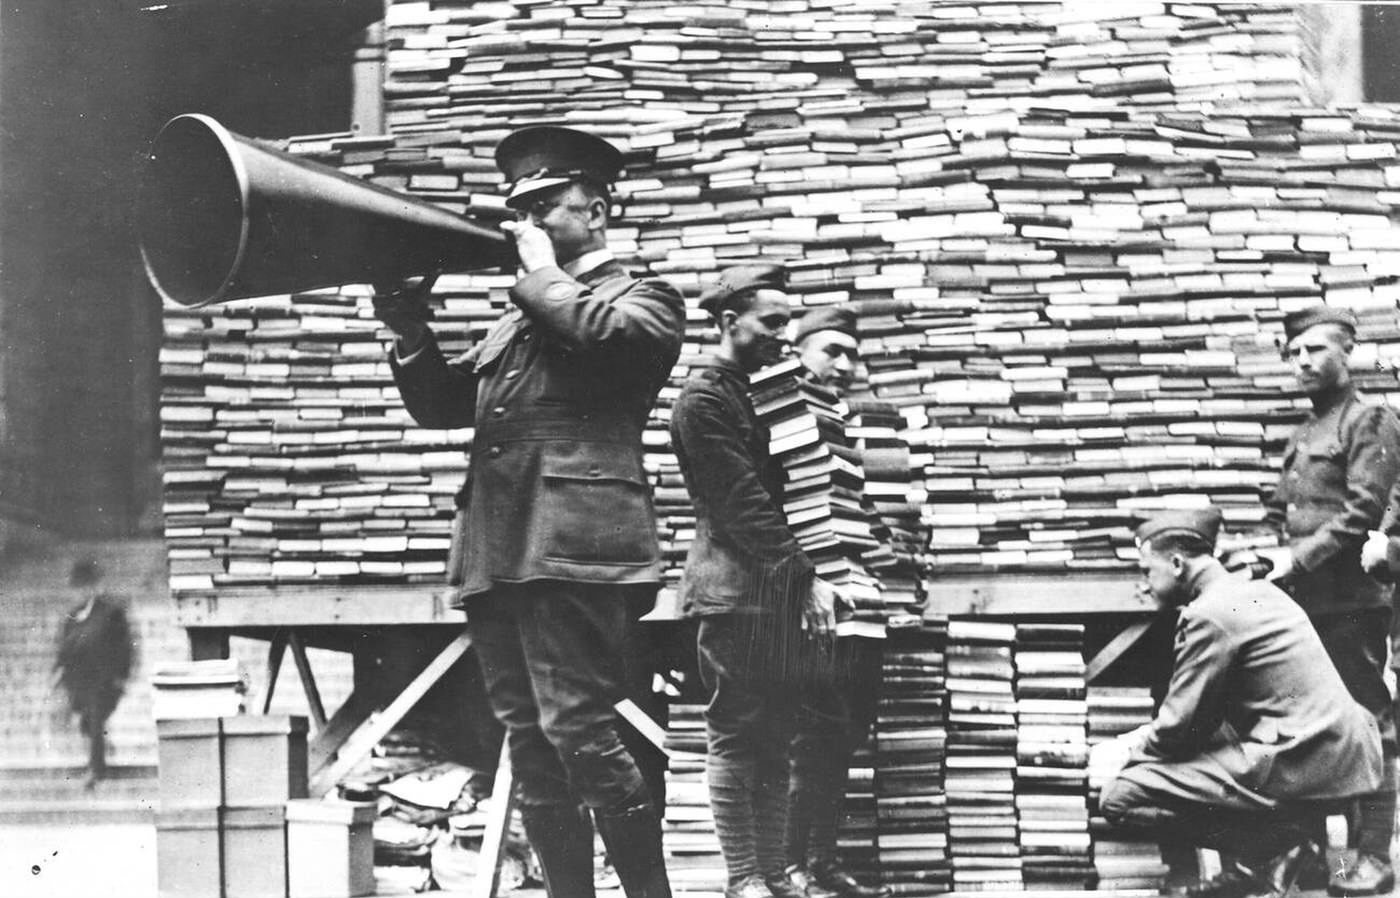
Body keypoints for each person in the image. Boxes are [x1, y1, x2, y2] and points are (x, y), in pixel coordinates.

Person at [375, 125, 684, 898]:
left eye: (549, 205)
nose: (530, 222)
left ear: (600, 211)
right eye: (522, 209)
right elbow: (446, 407)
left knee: (578, 727)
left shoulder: (640, 298)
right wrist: (412, 330)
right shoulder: (522, 318)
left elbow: (608, 344)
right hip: (500, 549)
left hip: (576, 544)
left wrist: (542, 278)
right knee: (532, 741)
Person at [1098, 508, 1384, 898]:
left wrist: (1125, 751)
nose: (1145, 584)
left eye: (1148, 570)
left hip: (1302, 759)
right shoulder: (1257, 591)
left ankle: (1275, 848)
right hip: (1339, 753)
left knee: (1122, 796)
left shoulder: (1209, 614)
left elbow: (1179, 730)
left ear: (1177, 564)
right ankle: (1279, 851)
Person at [670, 263, 840, 898]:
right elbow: (741, 502)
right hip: (736, 593)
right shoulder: (706, 399)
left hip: (772, 594)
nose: (784, 333)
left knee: (774, 738)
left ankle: (773, 873)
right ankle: (743, 877)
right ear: (726, 323)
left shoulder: (756, 393)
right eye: (772, 321)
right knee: (739, 734)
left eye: (788, 321)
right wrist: (804, 579)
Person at [1253, 305, 1400, 897]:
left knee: (1368, 723)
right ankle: (1325, 860)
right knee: (1312, 728)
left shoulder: (1369, 421)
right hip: (1303, 605)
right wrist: (1263, 548)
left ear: (1347, 354)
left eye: (1315, 350)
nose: (1303, 362)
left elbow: (1363, 510)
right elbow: (1284, 509)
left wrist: (1298, 558)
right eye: (1293, 353)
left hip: (1351, 603)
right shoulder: (1307, 432)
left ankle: (1373, 859)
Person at [783, 304, 890, 898]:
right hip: (811, 596)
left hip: (861, 598)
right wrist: (802, 580)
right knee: (811, 736)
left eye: (854, 353)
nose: (847, 365)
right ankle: (792, 867)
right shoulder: (781, 409)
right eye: (833, 351)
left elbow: (855, 501)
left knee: (845, 733)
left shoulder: (842, 418)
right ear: (798, 351)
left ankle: (821, 861)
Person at [53, 558, 134, 789]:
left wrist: (121, 676)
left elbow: (124, 647)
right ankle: (99, 754)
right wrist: (58, 673)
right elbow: (63, 648)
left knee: (96, 719)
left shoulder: (110, 613)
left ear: (91, 587)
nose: (78, 592)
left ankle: (95, 769)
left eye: (82, 586)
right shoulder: (73, 615)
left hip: (103, 680)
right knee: (88, 722)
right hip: (77, 681)